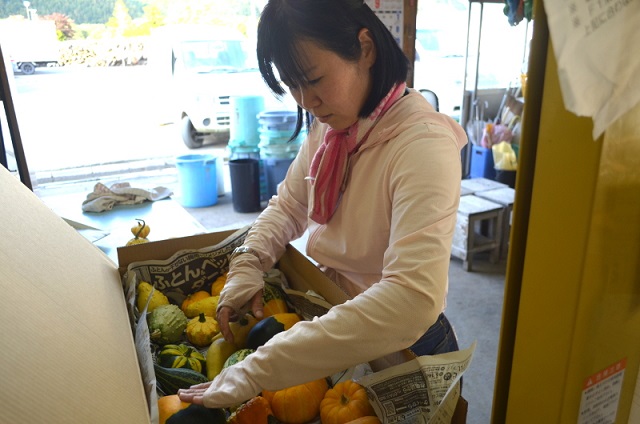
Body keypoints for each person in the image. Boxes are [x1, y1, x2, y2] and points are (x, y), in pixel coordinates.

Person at [178, 0, 467, 408]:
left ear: (365, 49)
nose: (305, 100)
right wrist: (248, 261)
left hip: (403, 347)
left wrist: (260, 367)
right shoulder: (332, 131)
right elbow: (288, 205)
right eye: (292, 85)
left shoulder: (422, 146)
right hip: (335, 319)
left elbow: (410, 300)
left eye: (313, 80)